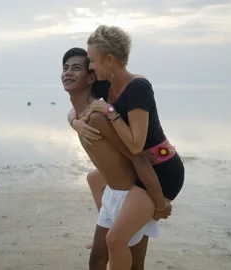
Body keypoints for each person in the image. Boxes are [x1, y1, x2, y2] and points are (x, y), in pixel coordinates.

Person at [67, 25, 185, 269]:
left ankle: (117, 231)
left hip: (162, 171)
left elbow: (135, 144)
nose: (91, 67)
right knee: (95, 179)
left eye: (93, 61)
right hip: (139, 167)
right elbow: (76, 109)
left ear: (109, 60)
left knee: (116, 241)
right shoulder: (105, 85)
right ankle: (114, 223)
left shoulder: (139, 87)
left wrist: (109, 110)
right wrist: (76, 123)